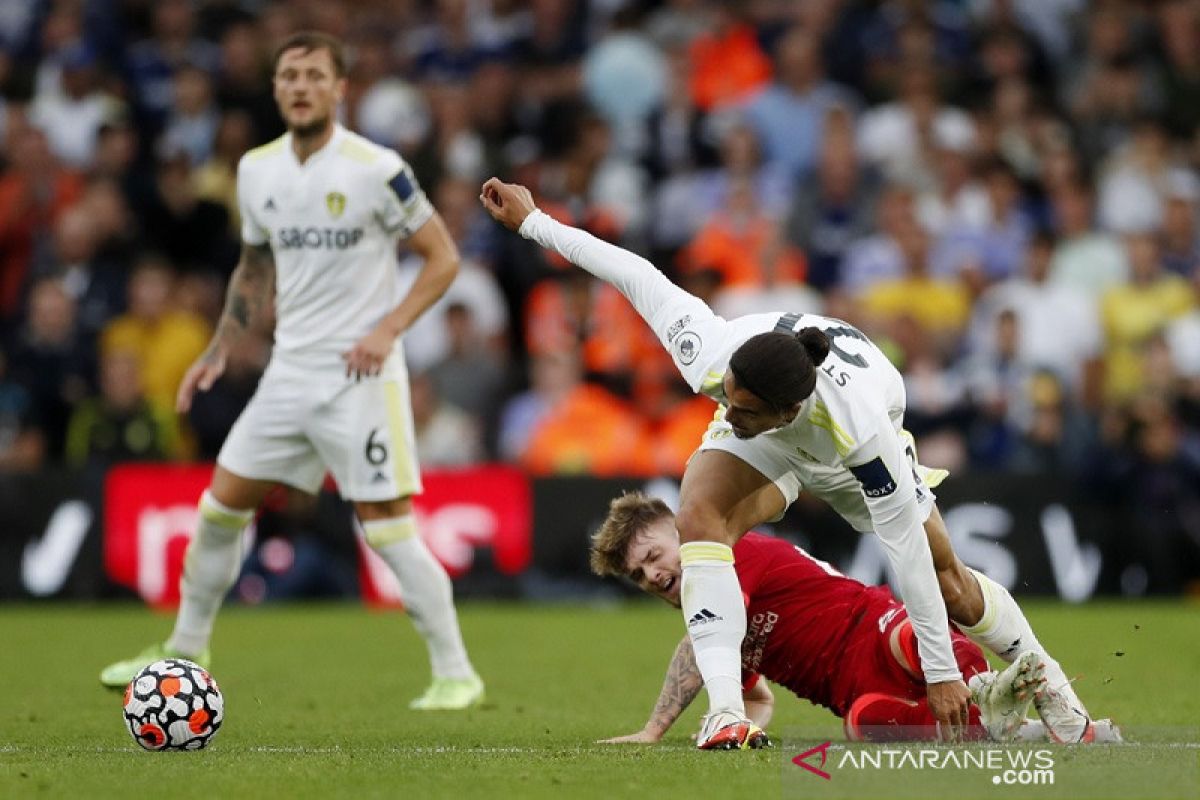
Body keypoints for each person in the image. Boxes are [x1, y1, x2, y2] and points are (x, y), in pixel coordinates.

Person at [480, 178, 1096, 748]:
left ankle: (1059, 698)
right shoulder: (716, 359)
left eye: (742, 409)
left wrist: (941, 671)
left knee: (948, 581)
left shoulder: (861, 431)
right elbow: (633, 273)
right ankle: (726, 715)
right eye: (728, 398)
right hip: (778, 441)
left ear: (786, 407)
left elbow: (903, 550)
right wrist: (535, 222)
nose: (727, 413)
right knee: (699, 513)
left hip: (845, 455)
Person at [100, 32, 484, 711]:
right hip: (287, 373)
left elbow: (443, 257)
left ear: (339, 88)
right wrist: (221, 344)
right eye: (288, 76)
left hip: (361, 379)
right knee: (219, 511)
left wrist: (387, 329)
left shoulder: (376, 166)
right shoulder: (256, 171)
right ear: (276, 89)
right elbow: (254, 267)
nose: (300, 86)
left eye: (313, 75)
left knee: (389, 529)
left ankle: (456, 673)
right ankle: (185, 650)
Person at [588, 492, 1125, 745]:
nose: (653, 576)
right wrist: (745, 724)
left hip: (873, 629)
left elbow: (694, 651)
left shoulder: (731, 554)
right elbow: (754, 696)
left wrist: (654, 731)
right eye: (638, 575)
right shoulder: (718, 639)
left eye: (654, 556)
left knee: (912, 638)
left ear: (681, 528)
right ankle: (1015, 724)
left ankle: (984, 687)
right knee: (860, 722)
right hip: (858, 691)